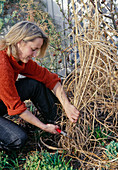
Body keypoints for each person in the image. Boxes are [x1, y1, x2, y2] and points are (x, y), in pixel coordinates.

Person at [0, 21, 79, 150]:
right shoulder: (2, 64)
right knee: (18, 139)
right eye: (33, 49)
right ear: (20, 42)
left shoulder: (18, 58)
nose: (35, 55)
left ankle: (60, 123)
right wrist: (43, 126)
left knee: (34, 84)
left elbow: (50, 79)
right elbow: (16, 106)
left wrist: (67, 105)